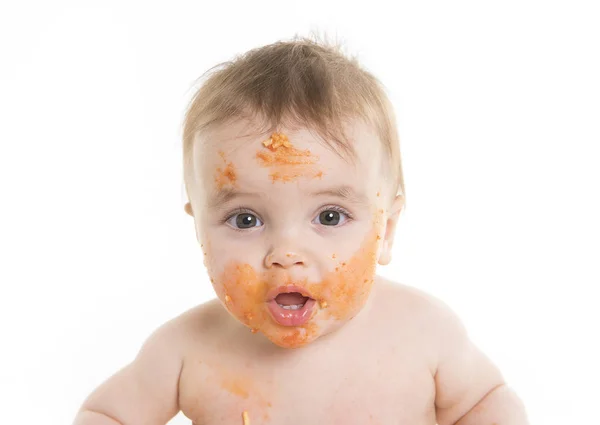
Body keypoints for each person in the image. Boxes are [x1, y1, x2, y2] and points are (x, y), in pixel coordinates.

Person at [73, 35, 529, 425]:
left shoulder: (423, 332)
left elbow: (486, 403)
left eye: (329, 217)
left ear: (385, 229)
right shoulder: (187, 350)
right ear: (200, 234)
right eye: (245, 219)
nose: (286, 252)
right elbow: (106, 415)